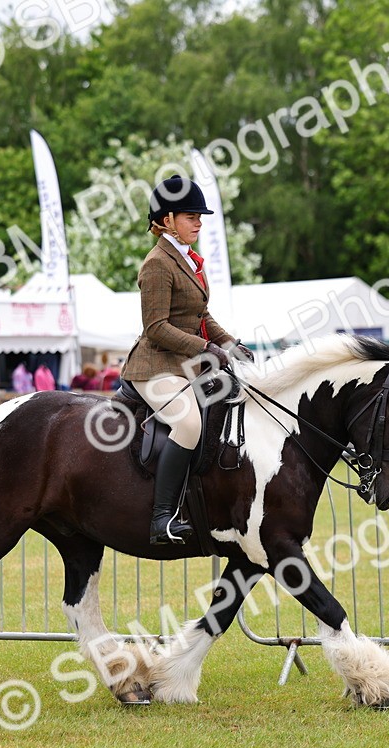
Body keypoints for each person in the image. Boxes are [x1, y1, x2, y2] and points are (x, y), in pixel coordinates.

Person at [120, 175, 251, 545]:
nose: (198, 223)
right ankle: (162, 518)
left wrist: (229, 342)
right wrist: (206, 348)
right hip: (155, 366)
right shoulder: (157, 264)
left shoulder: (190, 261)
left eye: (200, 217)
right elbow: (156, 327)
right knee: (189, 424)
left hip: (184, 365)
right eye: (191, 216)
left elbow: (201, 315)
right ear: (167, 220)